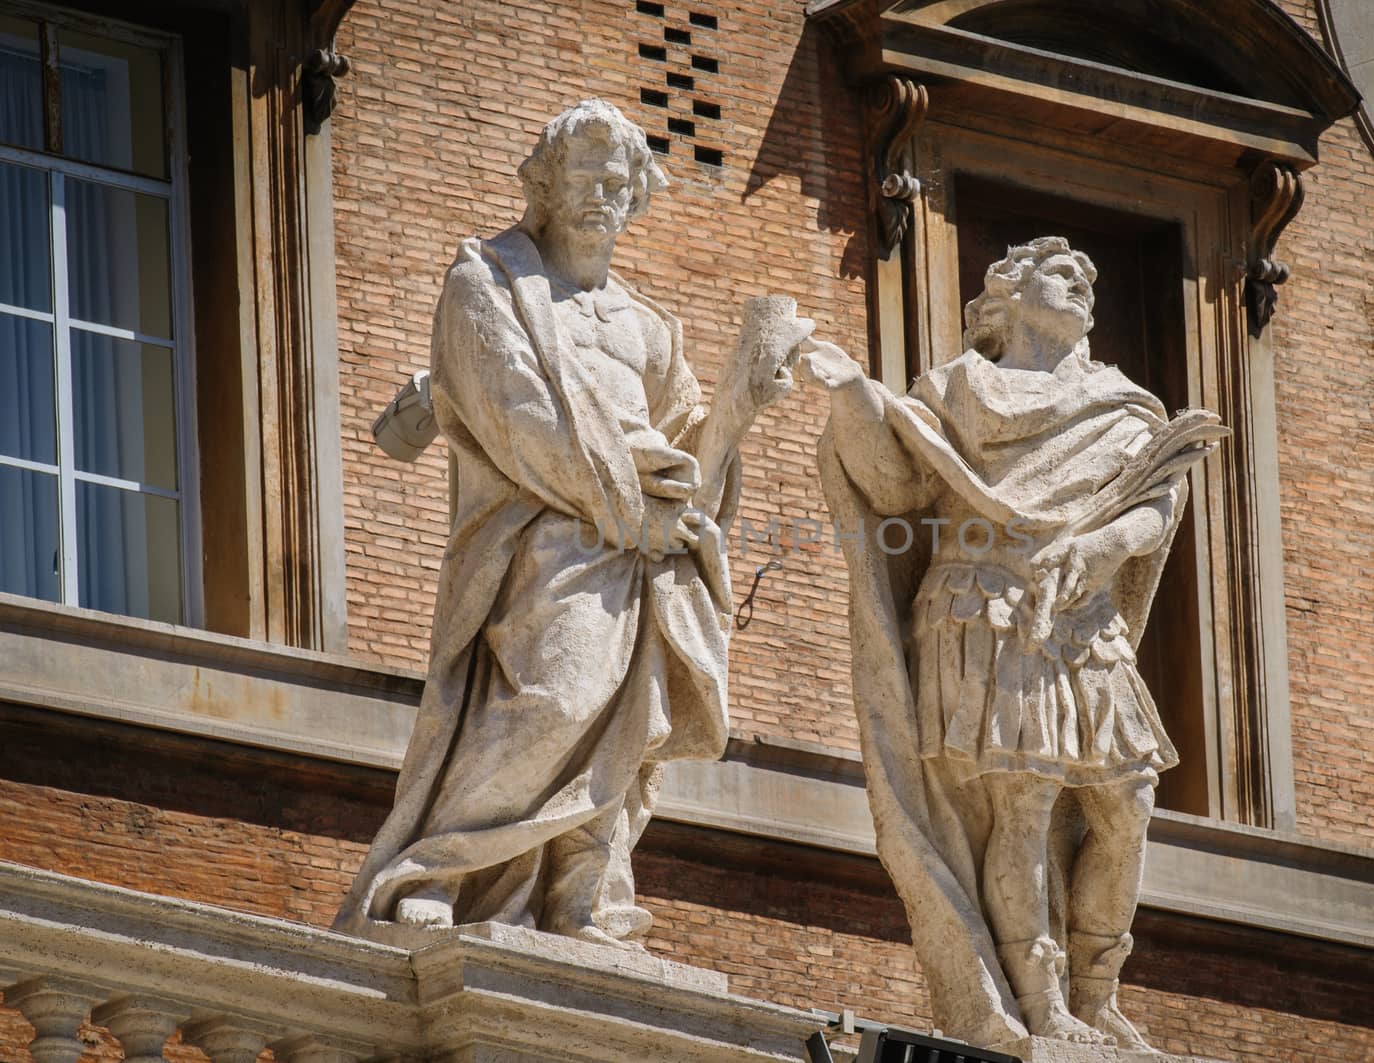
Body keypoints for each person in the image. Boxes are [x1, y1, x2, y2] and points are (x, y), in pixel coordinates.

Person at [336, 99, 803, 949]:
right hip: (541, 537)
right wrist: (633, 492)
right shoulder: (490, 279)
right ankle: (435, 867)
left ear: (636, 197)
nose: (599, 195)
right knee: (553, 698)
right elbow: (516, 415)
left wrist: (742, 400)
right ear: (544, 185)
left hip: (645, 552)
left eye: (616, 181)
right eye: (582, 177)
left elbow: (691, 454)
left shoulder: (650, 327)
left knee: (623, 723)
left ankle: (577, 899)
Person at [803, 236, 1222, 1048]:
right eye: (1064, 273)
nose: (1084, 287)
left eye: (1090, 280)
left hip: (1081, 619)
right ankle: (1042, 1002)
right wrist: (853, 397)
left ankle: (1098, 989)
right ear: (1009, 290)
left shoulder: (1125, 403)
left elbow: (1155, 506)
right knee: (1022, 811)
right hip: (982, 605)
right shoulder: (959, 387)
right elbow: (894, 485)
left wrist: (1100, 548)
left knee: (1127, 804)